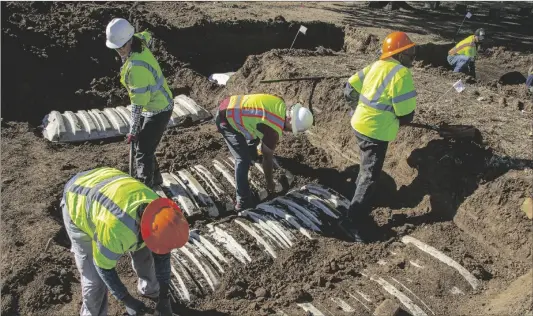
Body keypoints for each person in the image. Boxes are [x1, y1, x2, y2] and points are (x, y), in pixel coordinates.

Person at [61, 167, 189, 316]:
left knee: (145, 257)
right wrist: (127, 300)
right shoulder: (117, 231)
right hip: (78, 199)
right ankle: (92, 313)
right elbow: (103, 267)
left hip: (108, 182)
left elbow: (162, 256)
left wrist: (164, 296)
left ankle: (151, 290)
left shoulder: (160, 211)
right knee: (94, 280)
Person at [343, 32, 417, 240]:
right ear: (400, 54)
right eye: (410, 53)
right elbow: (406, 115)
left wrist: (356, 109)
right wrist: (395, 118)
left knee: (366, 168)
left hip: (359, 124)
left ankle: (359, 197)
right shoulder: (401, 74)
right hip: (375, 131)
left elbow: (349, 88)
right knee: (369, 175)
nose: (413, 58)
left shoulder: (376, 65)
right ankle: (353, 220)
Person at [106, 18, 174, 188]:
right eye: (117, 48)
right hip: (152, 103)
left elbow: (137, 104)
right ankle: (156, 180)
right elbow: (148, 35)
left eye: (121, 47)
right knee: (145, 146)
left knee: (142, 151)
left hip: (159, 108)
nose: (119, 51)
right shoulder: (139, 40)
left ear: (130, 41)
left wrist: (132, 130)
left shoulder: (136, 68)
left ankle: (146, 189)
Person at [215, 94, 314, 210]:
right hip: (226, 119)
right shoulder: (273, 131)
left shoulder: (279, 102)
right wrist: (270, 182)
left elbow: (259, 117)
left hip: (231, 102)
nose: (289, 132)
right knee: (242, 160)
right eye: (291, 129)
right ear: (290, 120)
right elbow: (267, 158)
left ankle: (252, 154)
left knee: (257, 131)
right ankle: (243, 201)